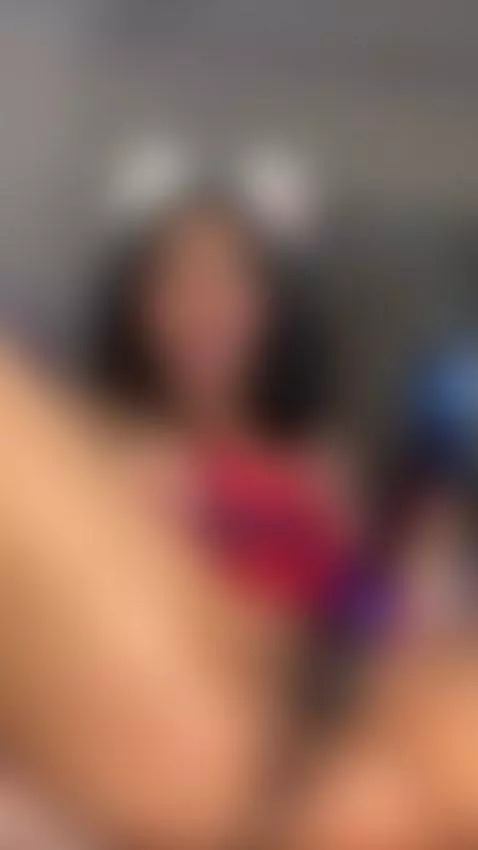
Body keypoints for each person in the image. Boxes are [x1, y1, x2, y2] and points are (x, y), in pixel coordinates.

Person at [0, 190, 352, 848]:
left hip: (290, 759)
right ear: (142, 308)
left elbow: (365, 634)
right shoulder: (93, 457)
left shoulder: (318, 475)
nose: (204, 308)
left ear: (268, 310)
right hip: (127, 772)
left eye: (228, 283)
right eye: (179, 283)